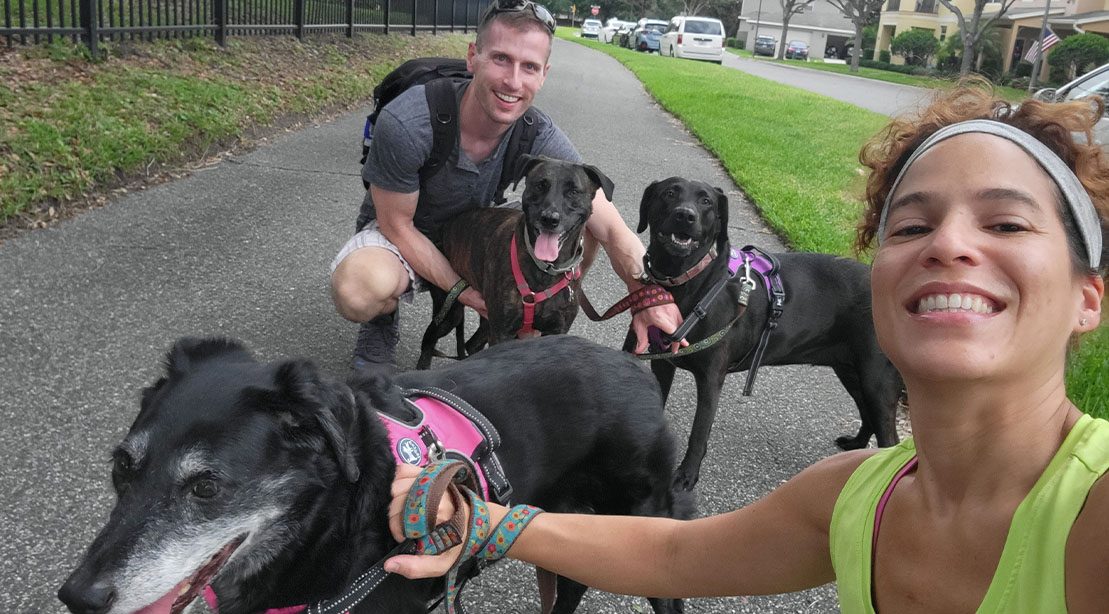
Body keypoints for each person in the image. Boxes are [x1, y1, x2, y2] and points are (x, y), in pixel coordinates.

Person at [382, 85, 1109, 612]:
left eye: (1006, 225)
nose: (948, 245)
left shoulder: (1094, 504)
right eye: (911, 227)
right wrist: (485, 521)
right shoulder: (854, 494)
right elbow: (672, 553)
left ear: (1087, 297)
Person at [329, 0, 683, 372]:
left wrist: (646, 294)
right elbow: (397, 225)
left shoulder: (537, 134)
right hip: (410, 231)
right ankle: (380, 325)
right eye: (501, 59)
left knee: (586, 223)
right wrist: (466, 293)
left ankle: (548, 301)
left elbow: (611, 227)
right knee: (359, 289)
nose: (513, 81)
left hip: (477, 233)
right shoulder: (409, 123)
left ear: (543, 75)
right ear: (473, 57)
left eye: (529, 66)